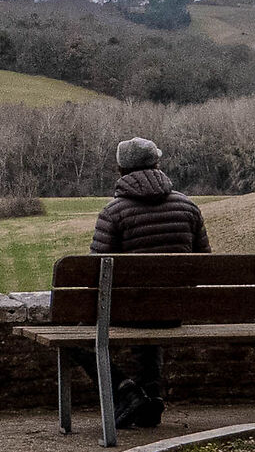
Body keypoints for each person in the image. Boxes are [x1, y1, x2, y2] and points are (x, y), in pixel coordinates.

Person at [84, 136, 209, 429]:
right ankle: (150, 399)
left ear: (120, 170)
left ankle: (125, 392)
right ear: (157, 164)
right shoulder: (188, 207)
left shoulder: (113, 212)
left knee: (74, 335)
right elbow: (204, 264)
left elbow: (93, 274)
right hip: (174, 311)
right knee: (153, 313)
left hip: (130, 311)